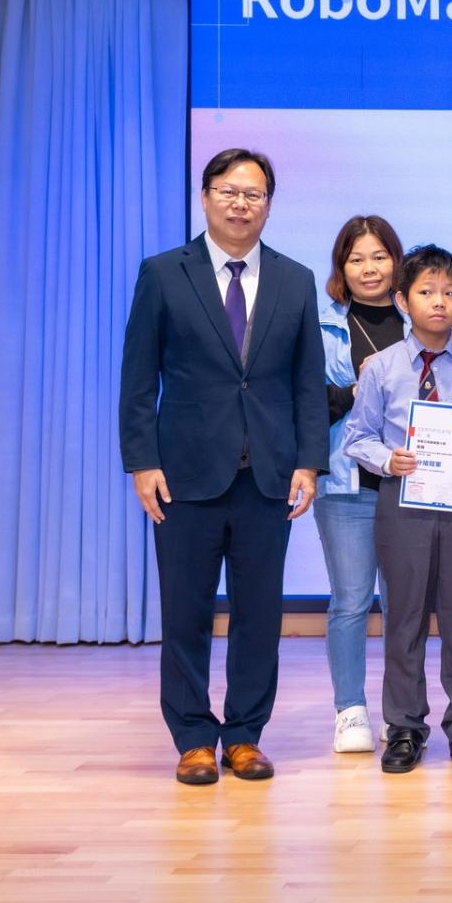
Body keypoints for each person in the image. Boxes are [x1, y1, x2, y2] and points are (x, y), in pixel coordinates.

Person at [119, 148, 327, 786]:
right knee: (184, 612)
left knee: (259, 615)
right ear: (205, 196)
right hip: (184, 476)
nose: (241, 204)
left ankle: (243, 736)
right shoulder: (163, 273)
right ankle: (192, 738)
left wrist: (309, 462)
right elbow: (138, 377)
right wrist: (142, 461)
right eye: (229, 191)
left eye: (254, 194)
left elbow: (307, 382)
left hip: (268, 475)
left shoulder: (295, 279)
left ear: (269, 204)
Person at [340, 245, 452, 775]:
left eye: (450, 293)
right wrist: (388, 459)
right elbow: (357, 436)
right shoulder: (383, 368)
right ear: (402, 300)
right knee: (404, 618)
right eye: (427, 292)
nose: (439, 302)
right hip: (402, 503)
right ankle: (405, 727)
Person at [315, 214, 406, 754]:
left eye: (379, 256)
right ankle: (350, 710)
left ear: (396, 261)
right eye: (356, 259)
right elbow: (305, 401)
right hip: (348, 484)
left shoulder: (420, 316)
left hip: (410, 487)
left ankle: (401, 711)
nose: (369, 268)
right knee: (350, 601)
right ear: (341, 268)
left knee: (404, 605)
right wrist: (356, 388)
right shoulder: (324, 326)